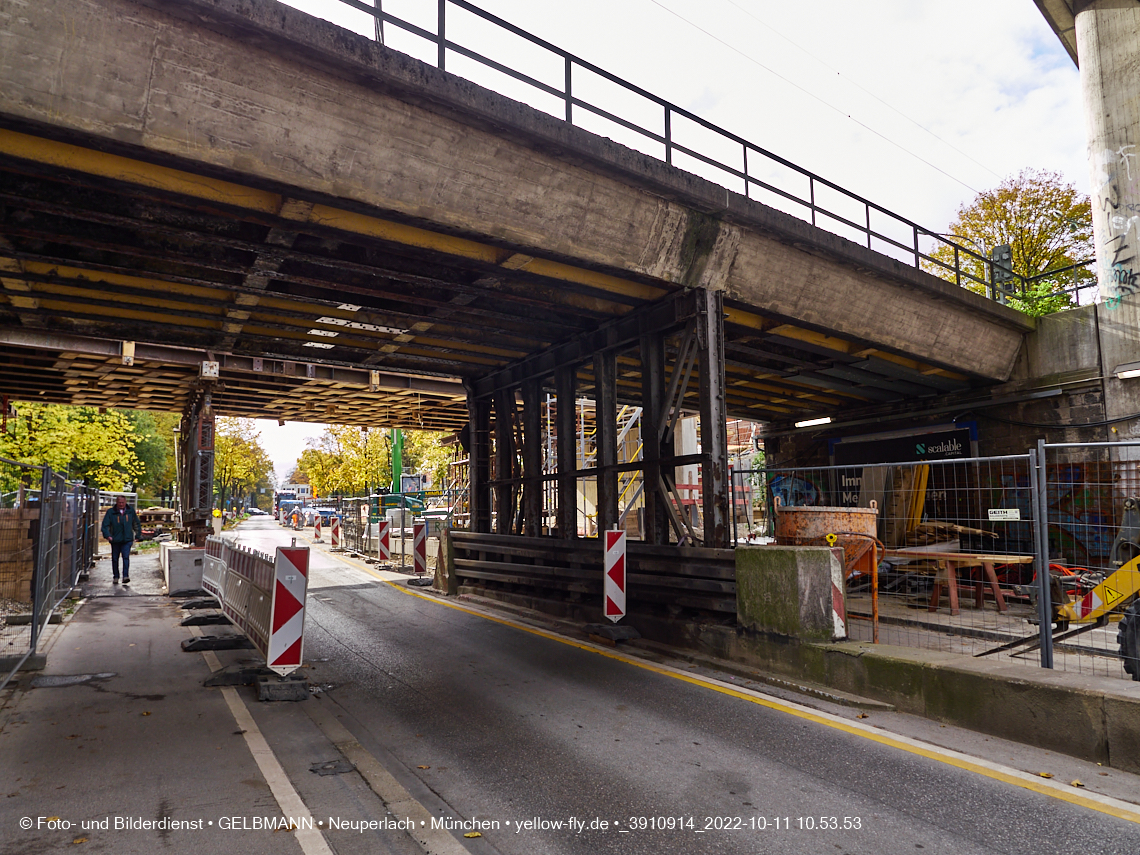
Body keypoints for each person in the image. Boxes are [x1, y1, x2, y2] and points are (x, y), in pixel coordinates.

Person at [101, 496, 141, 584]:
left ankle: (125, 576)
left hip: (127, 539)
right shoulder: (111, 512)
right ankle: (116, 576)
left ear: (125, 502)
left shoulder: (130, 511)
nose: (121, 504)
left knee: (126, 557)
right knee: (115, 558)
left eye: (123, 502)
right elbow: (105, 525)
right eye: (120, 503)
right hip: (115, 539)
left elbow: (136, 523)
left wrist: (138, 535)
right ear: (117, 502)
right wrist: (108, 536)